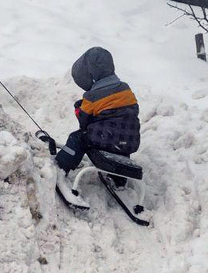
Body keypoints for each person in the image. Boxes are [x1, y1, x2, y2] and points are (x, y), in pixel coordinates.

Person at [40, 47, 141, 176]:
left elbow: (84, 120)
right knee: (119, 139)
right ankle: (119, 179)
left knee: (77, 138)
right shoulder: (125, 88)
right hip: (130, 141)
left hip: (107, 138)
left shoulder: (92, 96)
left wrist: (79, 108)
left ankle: (60, 167)